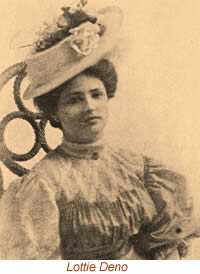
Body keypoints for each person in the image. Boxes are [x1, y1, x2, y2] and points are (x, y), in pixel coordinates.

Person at [0, 0, 198, 260]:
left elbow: (165, 243)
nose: (89, 107)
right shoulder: (44, 184)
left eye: (96, 94)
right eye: (74, 99)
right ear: (54, 112)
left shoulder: (136, 167)